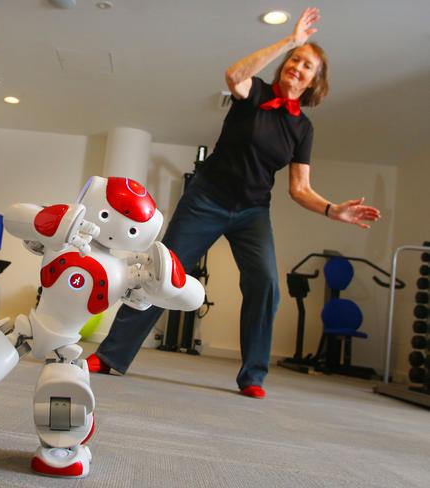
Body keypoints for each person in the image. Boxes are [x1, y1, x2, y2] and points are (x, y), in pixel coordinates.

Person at [85, 7, 381, 399]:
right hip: (206, 198)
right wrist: (291, 40)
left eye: (307, 65)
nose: (297, 66)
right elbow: (233, 76)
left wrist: (332, 209)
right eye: (295, 59)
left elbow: (299, 188)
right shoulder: (255, 93)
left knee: (266, 283)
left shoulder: (302, 129)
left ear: (315, 82)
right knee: (164, 272)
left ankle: (253, 375)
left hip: (252, 213)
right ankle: (112, 355)